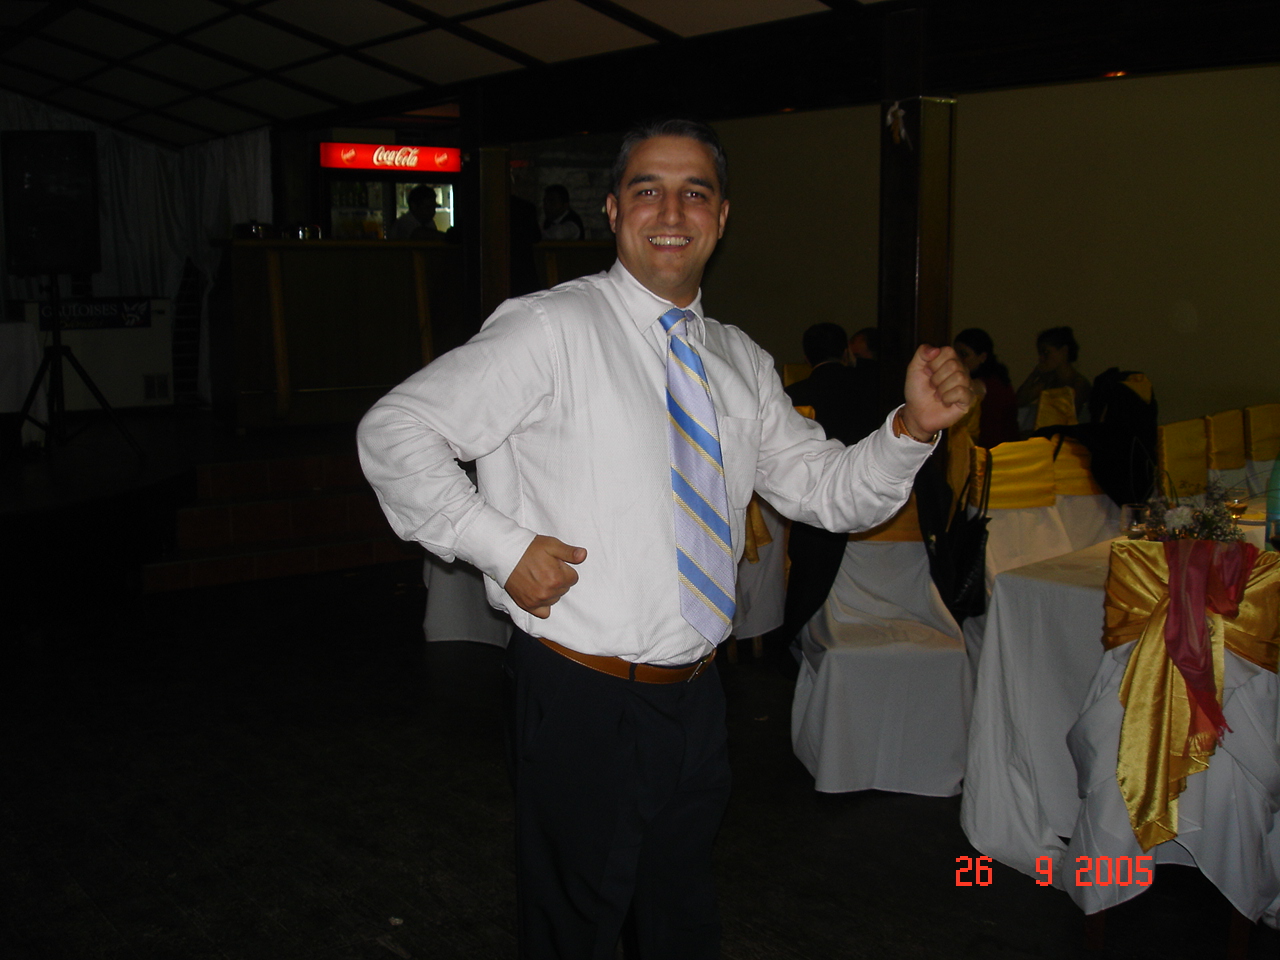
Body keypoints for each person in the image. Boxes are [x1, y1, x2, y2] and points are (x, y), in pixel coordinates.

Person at [357, 118, 972, 960]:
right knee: (573, 931)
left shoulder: (739, 361)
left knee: (679, 918)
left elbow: (828, 492)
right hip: (580, 693)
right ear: (613, 210)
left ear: (722, 219)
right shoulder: (552, 328)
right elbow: (396, 431)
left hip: (696, 696)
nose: (672, 211)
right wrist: (496, 544)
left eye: (695, 193)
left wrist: (910, 428)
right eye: (648, 190)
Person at [764, 322, 880, 672]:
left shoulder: (794, 396)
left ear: (805, 356)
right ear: (845, 352)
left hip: (817, 518)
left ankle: (796, 638)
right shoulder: (873, 388)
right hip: (873, 508)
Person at [953, 327, 1019, 448]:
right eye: (954, 354)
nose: (957, 360)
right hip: (1007, 450)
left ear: (982, 357)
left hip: (991, 452)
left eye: (964, 355)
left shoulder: (979, 385)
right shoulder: (999, 378)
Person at [1015, 324, 1090, 425]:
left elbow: (1068, 418)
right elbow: (1019, 402)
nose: (1041, 358)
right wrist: (1034, 375)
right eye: (1040, 354)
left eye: (1046, 352)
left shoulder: (1079, 384)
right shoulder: (1048, 381)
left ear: (1064, 351)